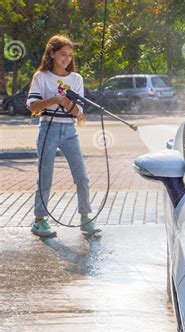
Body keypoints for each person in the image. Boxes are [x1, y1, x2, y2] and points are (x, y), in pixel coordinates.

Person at [26, 34, 101, 238]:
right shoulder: (41, 77)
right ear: (51, 54)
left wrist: (68, 104)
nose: (66, 59)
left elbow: (79, 112)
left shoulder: (76, 79)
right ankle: (39, 221)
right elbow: (32, 106)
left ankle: (86, 218)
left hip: (69, 131)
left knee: (82, 176)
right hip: (47, 130)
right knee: (45, 176)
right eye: (62, 54)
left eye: (69, 55)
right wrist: (55, 99)